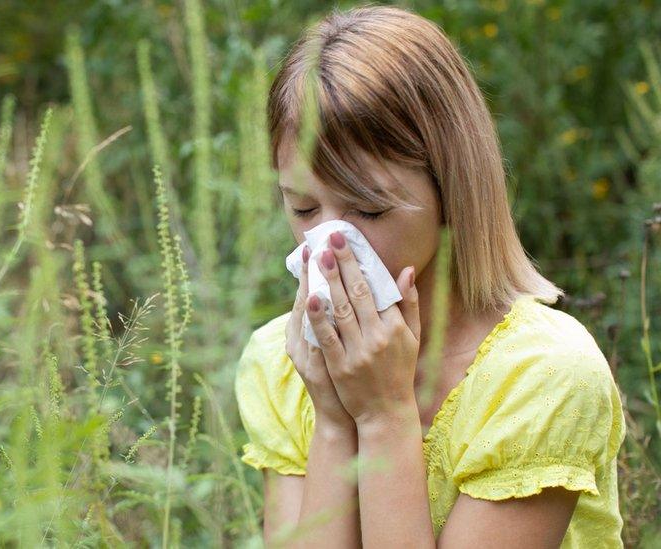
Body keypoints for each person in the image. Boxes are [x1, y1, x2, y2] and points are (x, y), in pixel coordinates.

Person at [233, 4, 626, 548]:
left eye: (368, 210)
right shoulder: (280, 364)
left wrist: (383, 414)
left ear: (452, 190)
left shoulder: (541, 378)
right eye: (302, 209)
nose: (327, 247)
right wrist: (331, 417)